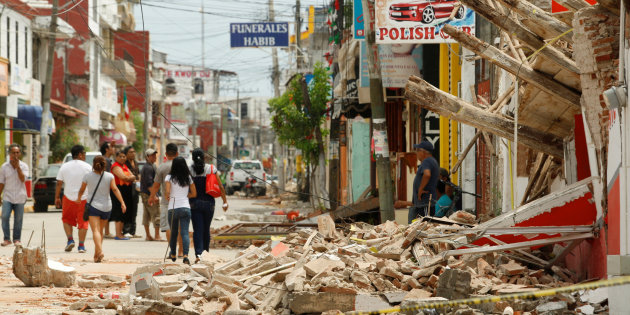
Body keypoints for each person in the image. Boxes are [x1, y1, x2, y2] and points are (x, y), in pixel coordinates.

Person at [74, 156, 126, 262]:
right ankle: (96, 255)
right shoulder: (110, 176)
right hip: (107, 207)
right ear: (105, 165)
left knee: (96, 231)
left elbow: (82, 189)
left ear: (93, 164)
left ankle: (100, 251)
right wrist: (122, 202)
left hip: (93, 206)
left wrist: (79, 198)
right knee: (100, 231)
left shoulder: (88, 176)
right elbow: (115, 189)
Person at [189, 148, 228, 262]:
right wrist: (225, 202)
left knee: (197, 229)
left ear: (192, 158)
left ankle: (198, 255)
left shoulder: (190, 170)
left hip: (194, 204)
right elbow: (220, 186)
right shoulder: (211, 169)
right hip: (209, 204)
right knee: (206, 229)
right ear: (204, 157)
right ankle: (206, 254)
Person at [55, 145, 92, 252]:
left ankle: (70, 240)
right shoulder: (87, 167)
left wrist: (57, 197)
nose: (84, 155)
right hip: (83, 198)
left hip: (68, 197)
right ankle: (81, 246)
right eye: (84, 153)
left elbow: (59, 183)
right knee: (83, 222)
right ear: (80, 154)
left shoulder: (64, 166)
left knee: (66, 219)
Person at [149, 143, 181, 253]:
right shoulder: (183, 166)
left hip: (166, 201)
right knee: (180, 227)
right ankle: (181, 251)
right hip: (181, 200)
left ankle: (172, 251)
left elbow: (156, 185)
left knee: (168, 226)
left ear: (166, 154)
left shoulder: (162, 167)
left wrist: (151, 197)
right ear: (177, 153)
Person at [165, 157, 196, 265]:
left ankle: (173, 253)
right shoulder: (188, 178)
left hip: (173, 207)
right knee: (185, 233)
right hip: (185, 207)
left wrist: (169, 197)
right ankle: (185, 255)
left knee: (174, 232)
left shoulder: (169, 177)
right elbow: (194, 193)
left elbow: (167, 193)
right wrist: (186, 196)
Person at [0, 144, 29, 246]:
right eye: (13, 152)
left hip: (20, 197)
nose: (15, 154)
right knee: (4, 216)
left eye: (17, 152)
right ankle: (7, 239)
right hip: (8, 196)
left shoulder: (24, 166)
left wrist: (18, 168)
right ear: (9, 154)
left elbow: (23, 179)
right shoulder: (4, 167)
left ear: (20, 154)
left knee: (18, 219)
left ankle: (17, 239)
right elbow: (1, 183)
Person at [408, 140, 439, 223]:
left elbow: (427, 174)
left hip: (425, 203)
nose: (416, 153)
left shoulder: (427, 161)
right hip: (425, 203)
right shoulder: (432, 161)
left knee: (424, 224)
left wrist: (420, 189)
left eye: (418, 150)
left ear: (423, 152)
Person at [111, 151, 135, 240]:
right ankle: (118, 234)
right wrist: (130, 178)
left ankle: (120, 232)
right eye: (120, 156)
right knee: (119, 211)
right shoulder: (115, 166)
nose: (122, 158)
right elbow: (123, 177)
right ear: (116, 157)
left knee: (124, 212)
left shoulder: (124, 166)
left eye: (124, 156)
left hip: (126, 190)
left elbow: (133, 176)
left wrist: (130, 178)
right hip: (118, 190)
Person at [140, 148, 161, 241]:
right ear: (147, 157)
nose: (154, 157)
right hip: (149, 193)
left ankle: (148, 235)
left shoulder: (150, 166)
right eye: (152, 155)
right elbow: (149, 183)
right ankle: (157, 235)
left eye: (155, 155)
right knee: (156, 213)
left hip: (145, 193)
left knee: (147, 214)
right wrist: (154, 195)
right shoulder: (148, 167)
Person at [123, 146, 140, 238]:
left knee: (134, 210)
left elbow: (138, 175)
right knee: (128, 210)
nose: (133, 154)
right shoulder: (125, 164)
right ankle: (126, 230)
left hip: (136, 189)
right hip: (127, 189)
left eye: (134, 152)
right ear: (126, 154)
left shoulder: (136, 163)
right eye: (130, 152)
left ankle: (133, 231)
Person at [100, 141, 115, 238]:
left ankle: (104, 231)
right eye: (111, 147)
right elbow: (108, 175)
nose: (113, 149)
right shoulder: (107, 161)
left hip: (100, 187)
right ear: (106, 149)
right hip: (106, 187)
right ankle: (106, 231)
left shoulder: (102, 159)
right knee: (106, 209)